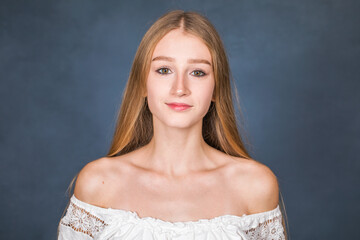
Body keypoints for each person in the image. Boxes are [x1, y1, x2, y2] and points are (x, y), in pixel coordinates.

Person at [58, 9, 288, 240]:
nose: (180, 88)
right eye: (164, 70)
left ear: (217, 89)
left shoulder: (255, 185)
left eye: (198, 72)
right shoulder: (98, 183)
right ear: (142, 84)